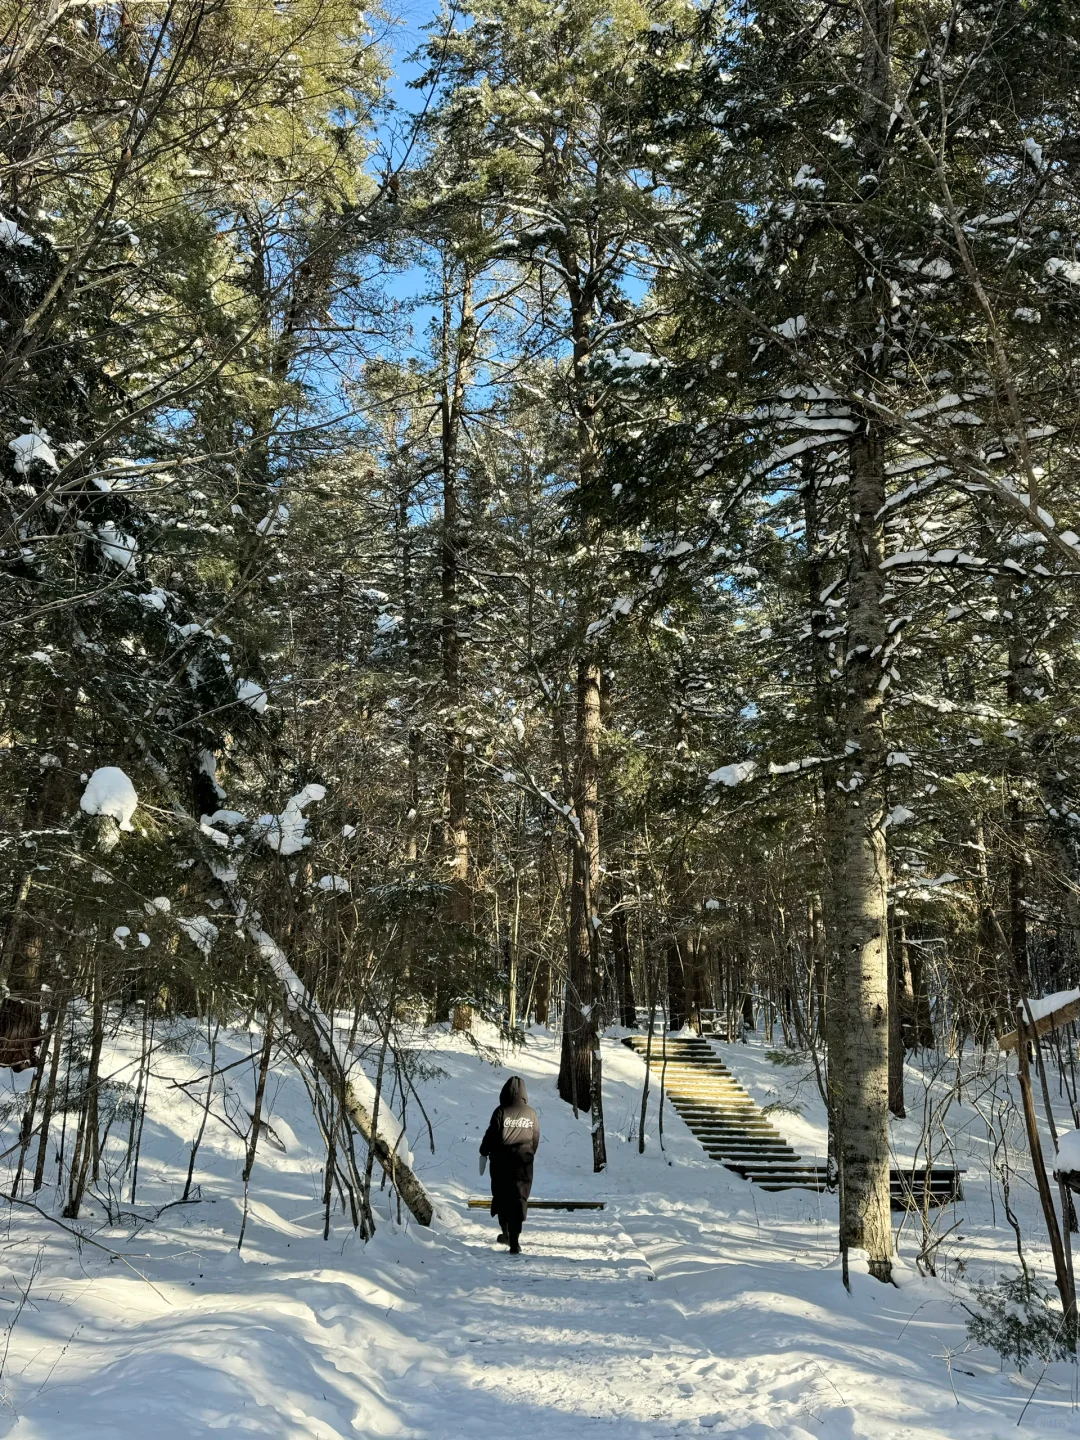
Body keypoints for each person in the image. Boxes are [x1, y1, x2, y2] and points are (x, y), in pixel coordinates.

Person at [479, 1076, 539, 1254]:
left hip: (501, 1162)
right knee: (519, 1198)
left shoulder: (501, 1111)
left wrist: (484, 1151)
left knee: (502, 1196)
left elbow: (491, 1134)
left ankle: (505, 1232)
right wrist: (529, 1154)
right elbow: (535, 1138)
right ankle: (515, 1240)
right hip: (523, 1163)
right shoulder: (532, 1113)